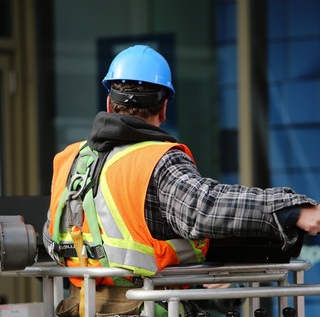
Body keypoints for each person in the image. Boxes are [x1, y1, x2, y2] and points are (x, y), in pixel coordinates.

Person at [43, 45, 320, 317]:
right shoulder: (156, 161)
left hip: (80, 307)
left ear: (108, 103)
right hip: (144, 307)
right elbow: (205, 207)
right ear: (164, 108)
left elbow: (51, 238)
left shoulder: (69, 160)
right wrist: (291, 209)